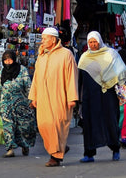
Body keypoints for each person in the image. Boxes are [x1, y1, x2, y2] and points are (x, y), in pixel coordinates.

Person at [29, 27, 78, 167]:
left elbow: (71, 77)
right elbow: (36, 78)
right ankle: (60, 147)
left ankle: (55, 157)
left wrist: (72, 97)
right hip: (43, 97)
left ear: (53, 39)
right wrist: (34, 97)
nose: (42, 41)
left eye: (44, 39)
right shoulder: (41, 56)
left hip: (60, 97)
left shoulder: (66, 54)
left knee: (56, 125)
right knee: (43, 125)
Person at [77, 31, 126, 163]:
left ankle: (115, 149)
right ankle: (89, 153)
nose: (93, 45)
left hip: (108, 95)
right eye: (90, 42)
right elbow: (79, 79)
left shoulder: (111, 54)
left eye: (95, 42)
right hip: (90, 97)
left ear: (99, 41)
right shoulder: (84, 58)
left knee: (110, 121)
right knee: (89, 124)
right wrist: (78, 99)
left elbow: (121, 71)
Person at [0, 50, 36, 159]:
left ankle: (24, 145)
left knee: (23, 127)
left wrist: (31, 100)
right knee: (8, 127)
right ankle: (10, 149)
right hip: (6, 104)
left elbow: (28, 86)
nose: (8, 62)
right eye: (5, 60)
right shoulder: (1, 73)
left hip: (22, 103)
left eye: (10, 59)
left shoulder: (22, 70)